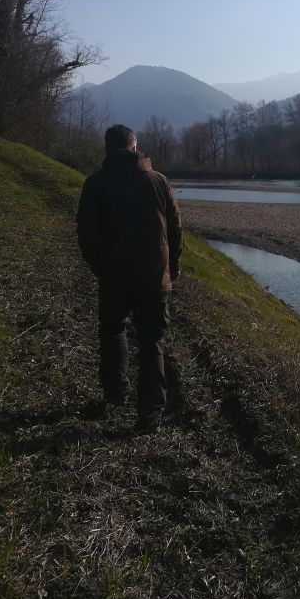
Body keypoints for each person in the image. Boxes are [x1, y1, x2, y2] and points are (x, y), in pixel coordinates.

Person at [76, 124, 183, 433]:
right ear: (136, 148)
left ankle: (115, 394)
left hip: (115, 277)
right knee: (152, 341)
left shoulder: (96, 184)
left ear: (108, 150)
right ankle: (150, 415)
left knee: (113, 331)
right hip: (154, 278)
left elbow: (85, 234)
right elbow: (175, 229)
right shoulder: (159, 181)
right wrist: (171, 267)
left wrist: (100, 267)